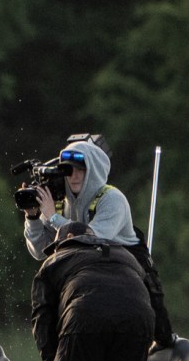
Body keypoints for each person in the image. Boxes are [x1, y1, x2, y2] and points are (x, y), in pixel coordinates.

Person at [22, 134, 174, 347]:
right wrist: (33, 218)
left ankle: (168, 343)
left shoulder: (112, 199)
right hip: (89, 269)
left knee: (161, 329)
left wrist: (53, 218)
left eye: (81, 170)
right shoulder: (59, 204)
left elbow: (91, 239)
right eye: (68, 170)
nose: (74, 176)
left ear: (93, 170)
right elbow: (39, 251)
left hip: (127, 258)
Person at [31, 221, 154, 361]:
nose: (55, 251)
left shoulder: (55, 260)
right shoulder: (127, 256)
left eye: (55, 246)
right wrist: (164, 337)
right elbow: (153, 294)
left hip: (85, 315)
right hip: (139, 319)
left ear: (69, 238)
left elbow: (42, 321)